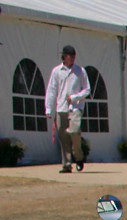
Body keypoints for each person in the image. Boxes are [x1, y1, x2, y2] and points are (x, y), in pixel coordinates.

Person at [44, 45, 90, 173]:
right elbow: (51, 90)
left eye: (74, 55)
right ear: (64, 56)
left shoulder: (80, 71)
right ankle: (67, 164)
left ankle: (79, 157)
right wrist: (48, 108)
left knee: (74, 131)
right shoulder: (56, 71)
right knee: (63, 136)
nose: (73, 58)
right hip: (61, 107)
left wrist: (75, 97)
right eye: (71, 55)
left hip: (75, 107)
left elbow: (87, 90)